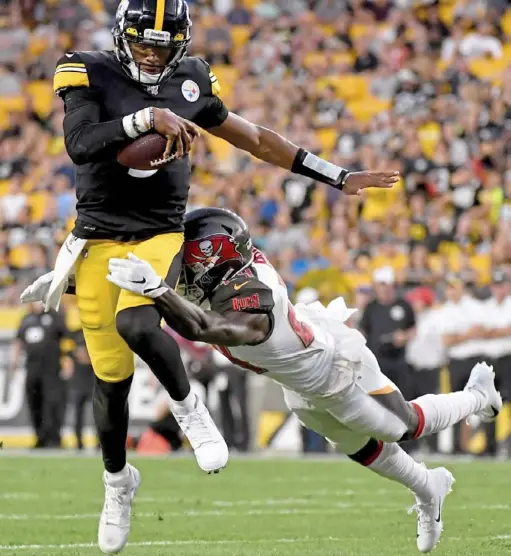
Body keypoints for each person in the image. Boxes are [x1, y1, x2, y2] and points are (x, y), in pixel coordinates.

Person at [47, 0, 398, 552]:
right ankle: (118, 482)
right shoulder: (87, 69)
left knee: (140, 325)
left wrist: (338, 176)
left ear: (180, 46)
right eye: (141, 43)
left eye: (162, 47)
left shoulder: (189, 80)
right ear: (120, 36)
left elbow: (255, 138)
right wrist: (145, 119)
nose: (150, 54)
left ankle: (191, 412)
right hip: (97, 234)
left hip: (162, 229)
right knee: (109, 384)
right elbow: (80, 144)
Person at [104, 207, 501, 554]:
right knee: (357, 446)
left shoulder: (252, 298)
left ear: (214, 260)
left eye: (190, 262)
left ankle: (477, 396)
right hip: (297, 383)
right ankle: (428, 488)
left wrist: (157, 290)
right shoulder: (227, 276)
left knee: (402, 426)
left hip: (336, 368)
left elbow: (208, 326)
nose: (183, 271)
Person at [10, 304, 71, 449]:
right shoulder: (26, 319)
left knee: (52, 404)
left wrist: (68, 361)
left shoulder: (55, 317)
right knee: (34, 404)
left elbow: (67, 339)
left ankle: (54, 438)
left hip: (51, 371)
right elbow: (18, 340)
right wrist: (14, 361)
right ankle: (40, 437)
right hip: (32, 370)